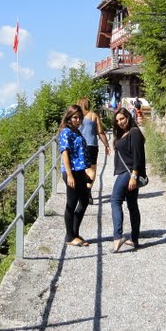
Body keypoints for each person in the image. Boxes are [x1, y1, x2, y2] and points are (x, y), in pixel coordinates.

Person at [110, 107, 145, 252]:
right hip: (127, 172)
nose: (120, 122)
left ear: (128, 117)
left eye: (122, 119)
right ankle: (134, 239)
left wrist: (134, 176)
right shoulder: (124, 133)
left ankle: (118, 236)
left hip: (129, 172)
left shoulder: (134, 133)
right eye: (117, 120)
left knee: (115, 200)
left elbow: (138, 156)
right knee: (132, 204)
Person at [58, 104, 91, 247]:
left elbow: (80, 154)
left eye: (79, 117)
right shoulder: (66, 132)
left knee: (84, 201)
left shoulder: (77, 131)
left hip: (80, 172)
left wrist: (84, 173)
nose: (78, 120)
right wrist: (69, 175)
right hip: (71, 172)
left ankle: (75, 233)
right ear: (69, 118)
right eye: (75, 117)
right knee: (71, 204)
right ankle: (69, 236)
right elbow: (65, 154)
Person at [76, 97, 110, 187]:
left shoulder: (76, 117)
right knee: (92, 169)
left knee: (81, 168)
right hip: (91, 145)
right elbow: (100, 132)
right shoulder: (93, 115)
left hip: (78, 146)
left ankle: (82, 189)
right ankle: (88, 188)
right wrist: (106, 145)